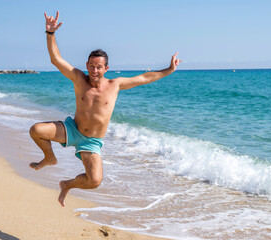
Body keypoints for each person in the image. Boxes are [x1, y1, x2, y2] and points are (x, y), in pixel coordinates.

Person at [29, 11, 181, 207]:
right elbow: (56, 59)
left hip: (92, 142)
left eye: (98, 67)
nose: (94, 70)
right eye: (91, 66)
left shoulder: (115, 85)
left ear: (106, 68)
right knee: (36, 130)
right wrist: (50, 33)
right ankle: (49, 157)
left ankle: (67, 185)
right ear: (87, 65)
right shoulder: (78, 78)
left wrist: (169, 69)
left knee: (94, 181)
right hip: (72, 130)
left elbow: (145, 78)